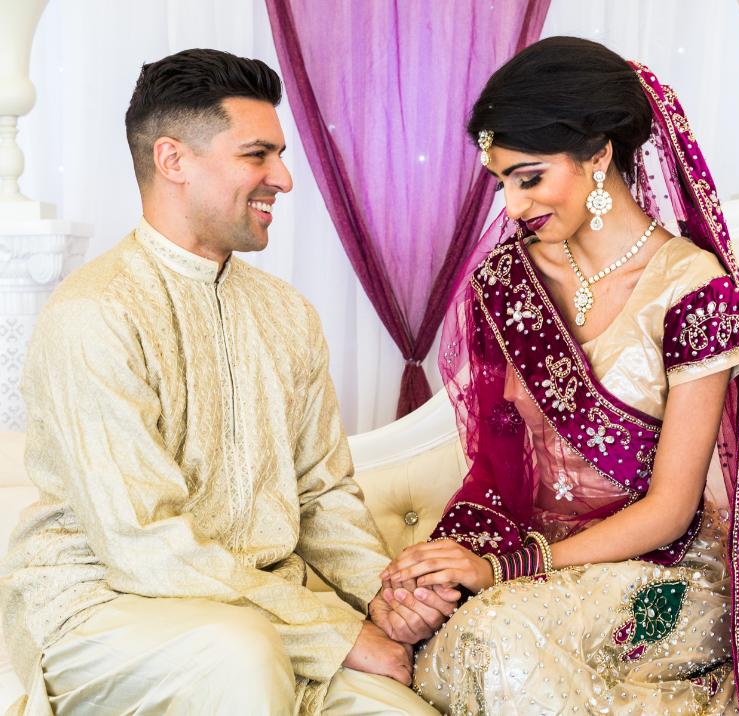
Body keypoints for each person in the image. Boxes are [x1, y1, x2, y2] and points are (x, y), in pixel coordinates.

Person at [0, 49, 455, 716]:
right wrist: (336, 635)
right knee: (241, 655)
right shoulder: (94, 315)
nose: (285, 178)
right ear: (174, 161)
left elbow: (322, 495)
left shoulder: (287, 314)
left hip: (276, 611)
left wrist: (382, 595)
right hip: (108, 610)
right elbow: (143, 547)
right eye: (257, 155)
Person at [381, 37, 739, 714]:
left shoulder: (692, 289)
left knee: (493, 642)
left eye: (530, 176)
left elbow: (669, 511)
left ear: (598, 153)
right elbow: (497, 470)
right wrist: (440, 571)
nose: (513, 207)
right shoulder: (509, 281)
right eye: (500, 182)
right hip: (531, 556)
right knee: (451, 633)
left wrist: (501, 571)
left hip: (663, 572)